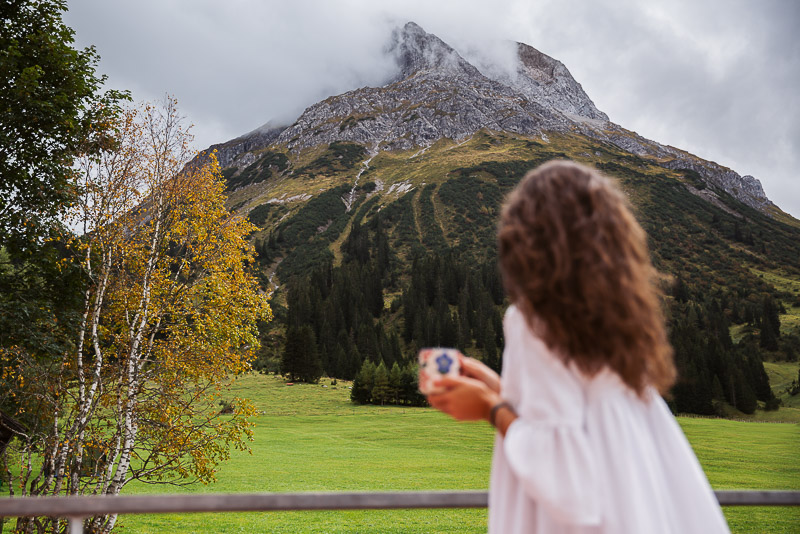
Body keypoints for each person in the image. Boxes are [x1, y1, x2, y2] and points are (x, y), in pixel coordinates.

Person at [427, 160, 730, 533]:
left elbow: (566, 480)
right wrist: (503, 390)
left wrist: (491, 408)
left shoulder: (534, 318)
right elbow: (577, 410)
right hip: (643, 496)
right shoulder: (620, 317)